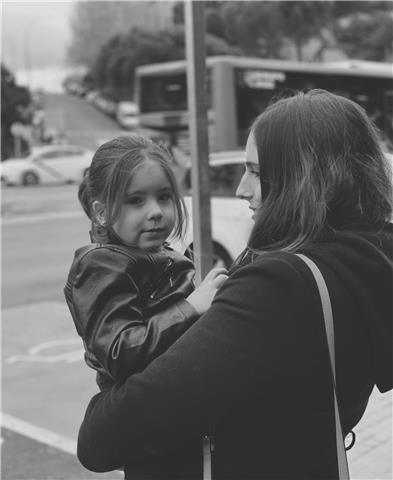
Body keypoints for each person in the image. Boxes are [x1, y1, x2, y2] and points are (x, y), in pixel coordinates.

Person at [76, 90, 393, 479]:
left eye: (255, 171)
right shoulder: (363, 264)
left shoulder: (278, 287)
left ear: (304, 177)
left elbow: (100, 439)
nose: (242, 188)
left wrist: (106, 399)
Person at [64, 134, 227, 390]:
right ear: (102, 213)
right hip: (146, 410)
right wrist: (190, 307)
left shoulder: (159, 251)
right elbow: (119, 351)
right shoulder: (100, 265)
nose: (156, 212)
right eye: (136, 201)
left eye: (163, 196)